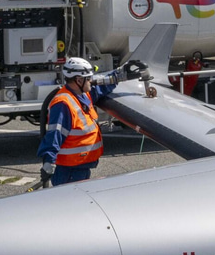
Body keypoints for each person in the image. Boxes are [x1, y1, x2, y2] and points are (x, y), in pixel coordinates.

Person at [37, 57, 153, 186]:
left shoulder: (82, 94)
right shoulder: (63, 104)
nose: (91, 81)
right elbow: (54, 135)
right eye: (88, 78)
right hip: (69, 171)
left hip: (79, 167)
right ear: (79, 80)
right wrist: (49, 163)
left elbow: (102, 87)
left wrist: (120, 73)